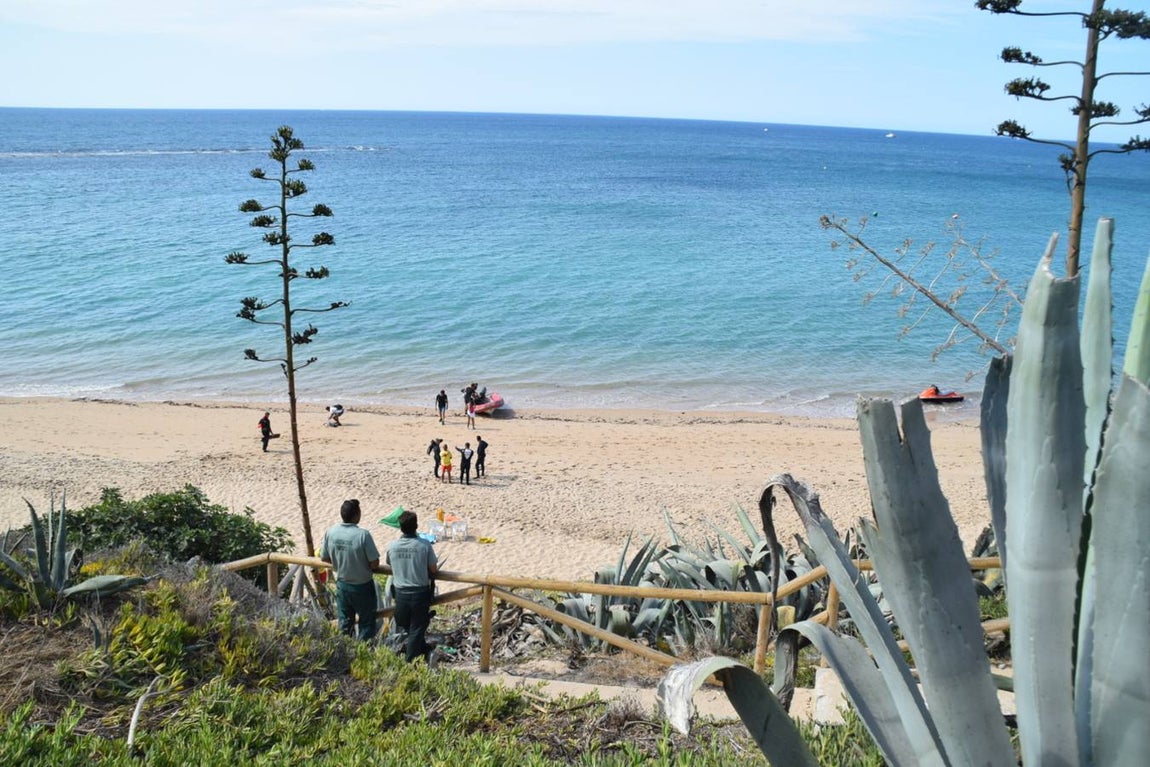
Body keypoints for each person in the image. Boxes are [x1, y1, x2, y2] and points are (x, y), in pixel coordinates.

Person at [319, 499, 382, 640]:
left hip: (342, 584)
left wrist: (339, 561)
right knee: (366, 625)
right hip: (362, 587)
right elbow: (375, 563)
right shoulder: (363, 535)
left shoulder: (331, 532)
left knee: (345, 623)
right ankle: (363, 655)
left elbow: (324, 558)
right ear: (356, 515)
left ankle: (347, 652)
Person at [386, 510, 439, 663]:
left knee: (408, 626)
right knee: (416, 629)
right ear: (416, 526)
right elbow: (433, 569)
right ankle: (409, 664)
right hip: (419, 594)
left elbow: (389, 562)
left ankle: (424, 652)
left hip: (400, 594)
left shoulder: (393, 546)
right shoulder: (424, 545)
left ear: (400, 528)